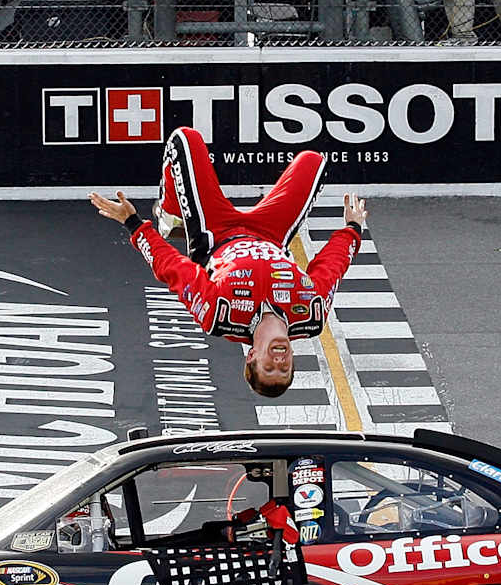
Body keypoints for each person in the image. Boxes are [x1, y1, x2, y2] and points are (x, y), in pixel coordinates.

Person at [89, 127, 367, 399]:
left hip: (215, 232)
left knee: (185, 139)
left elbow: (173, 269)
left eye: (268, 367)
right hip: (272, 233)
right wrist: (353, 229)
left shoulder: (220, 315)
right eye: (285, 369)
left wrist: (134, 225)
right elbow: (332, 267)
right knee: (314, 161)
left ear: (251, 356)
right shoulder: (310, 313)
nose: (279, 362)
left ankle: (170, 212)